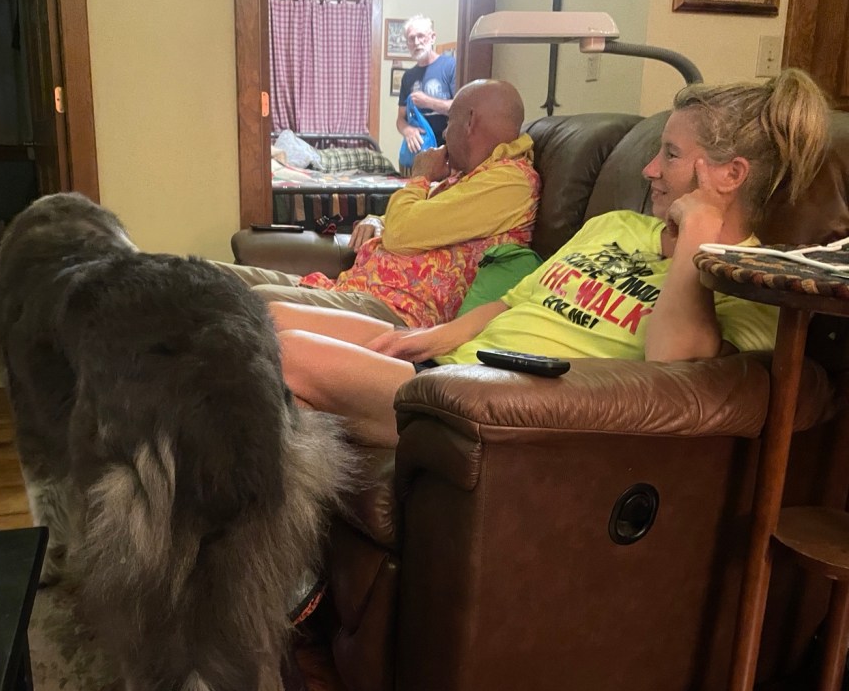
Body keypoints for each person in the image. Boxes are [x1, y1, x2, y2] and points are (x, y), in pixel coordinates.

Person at [272, 69, 830, 448]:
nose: (649, 170)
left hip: (492, 404)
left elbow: (673, 370)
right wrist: (432, 336)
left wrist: (699, 234)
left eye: (671, 155)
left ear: (730, 175)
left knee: (285, 355)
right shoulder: (615, 225)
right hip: (449, 366)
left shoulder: (751, 284)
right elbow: (512, 303)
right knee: (264, 320)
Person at [219, 79, 540, 329]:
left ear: (470, 122)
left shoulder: (510, 182)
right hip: (353, 288)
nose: (444, 132)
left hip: (396, 311)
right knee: (214, 277)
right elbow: (414, 221)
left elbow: (402, 232)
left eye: (449, 121)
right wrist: (377, 220)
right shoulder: (468, 177)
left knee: (249, 302)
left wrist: (420, 176)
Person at [397, 15, 457, 152]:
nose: (416, 42)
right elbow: (400, 119)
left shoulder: (451, 66)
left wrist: (427, 102)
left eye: (421, 36)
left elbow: (460, 108)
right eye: (411, 38)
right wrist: (407, 130)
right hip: (419, 150)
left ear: (432, 38)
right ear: (407, 44)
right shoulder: (408, 77)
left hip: (449, 149)